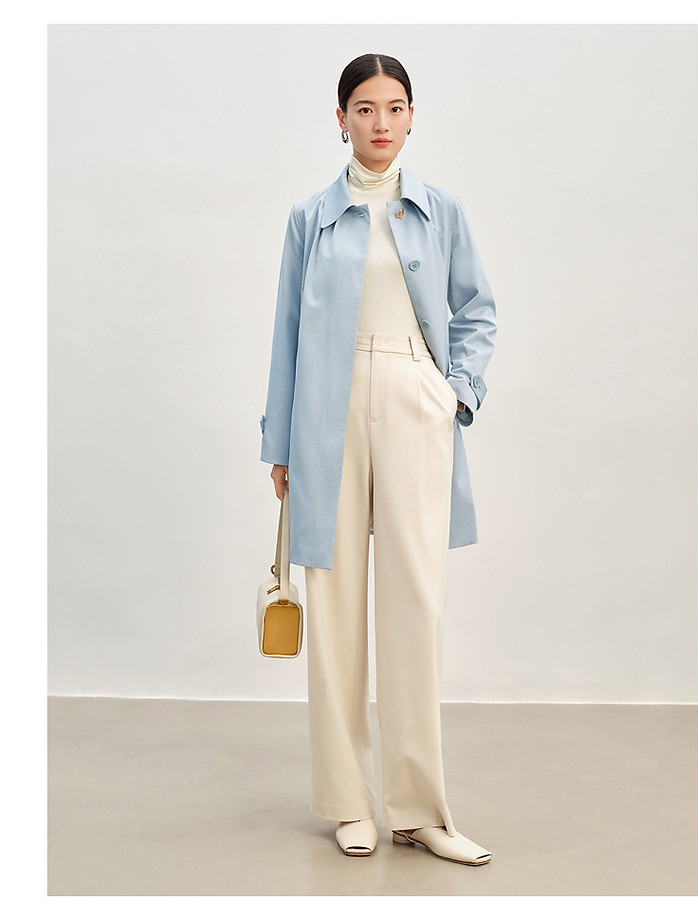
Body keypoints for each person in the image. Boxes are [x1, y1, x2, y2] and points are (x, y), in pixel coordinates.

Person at [259, 53, 497, 866]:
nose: (381, 122)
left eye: (395, 107)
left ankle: (419, 809)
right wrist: (279, 441)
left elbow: (477, 310)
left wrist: (454, 394)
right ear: (342, 119)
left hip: (413, 397)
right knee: (333, 607)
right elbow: (287, 331)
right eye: (365, 108)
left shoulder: (440, 209)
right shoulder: (310, 218)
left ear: (412, 115)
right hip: (323, 410)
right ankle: (348, 804)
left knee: (415, 605)